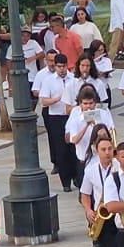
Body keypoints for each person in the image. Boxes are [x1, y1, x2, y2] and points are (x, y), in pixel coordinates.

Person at [79, 135, 122, 247]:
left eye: (110, 149)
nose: (107, 153)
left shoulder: (119, 167)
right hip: (102, 217)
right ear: (97, 151)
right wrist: (88, 210)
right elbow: (85, 194)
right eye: (103, 150)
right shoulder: (90, 170)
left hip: (119, 215)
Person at [39, 54, 77, 192]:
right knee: (61, 150)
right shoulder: (48, 80)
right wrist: (57, 99)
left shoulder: (73, 79)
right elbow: (44, 101)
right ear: (55, 66)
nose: (61, 69)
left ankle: (76, 177)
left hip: (71, 116)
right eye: (59, 66)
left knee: (74, 147)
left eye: (64, 66)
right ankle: (65, 181)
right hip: (56, 117)